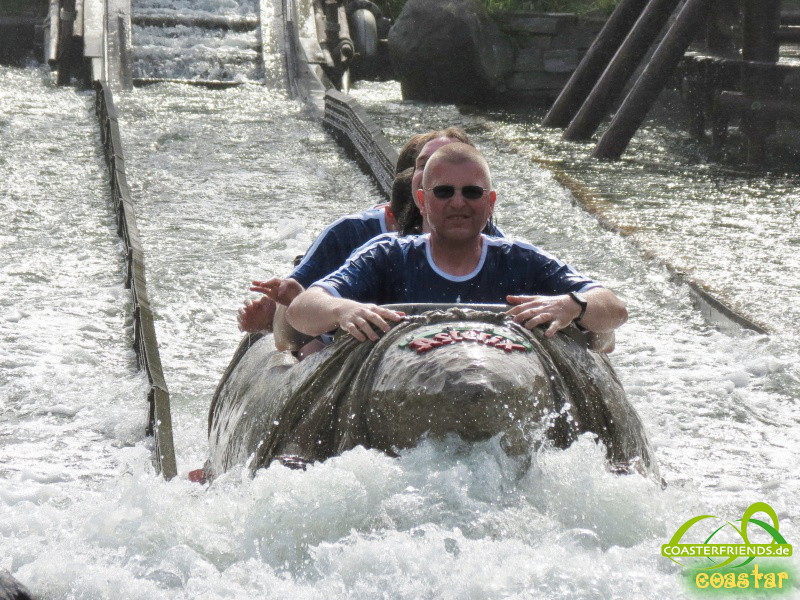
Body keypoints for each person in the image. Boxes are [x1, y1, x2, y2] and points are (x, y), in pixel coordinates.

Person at [286, 143, 627, 343]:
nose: (458, 203)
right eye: (444, 192)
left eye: (472, 192)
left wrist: (571, 306)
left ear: (490, 201)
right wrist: (341, 308)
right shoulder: (386, 256)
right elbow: (303, 309)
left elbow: (613, 307)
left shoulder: (519, 259)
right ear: (422, 200)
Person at [237, 127, 473, 344]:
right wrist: (336, 310)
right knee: (310, 345)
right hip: (339, 333)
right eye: (427, 165)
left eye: (468, 192)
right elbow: (302, 296)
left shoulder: (499, 251)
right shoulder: (377, 249)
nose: (455, 199)